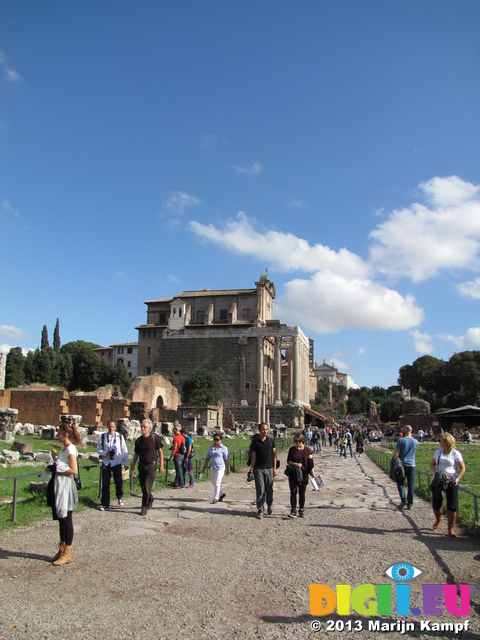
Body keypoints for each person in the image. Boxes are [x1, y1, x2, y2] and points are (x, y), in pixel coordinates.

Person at [47, 416, 81, 566]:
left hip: (66, 487)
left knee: (67, 520)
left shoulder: (71, 449)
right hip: (59, 486)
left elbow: (74, 470)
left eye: (59, 434)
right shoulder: (64, 449)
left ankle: (67, 552)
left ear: (65, 435)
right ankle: (62, 549)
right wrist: (55, 459)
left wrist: (58, 467)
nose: (57, 436)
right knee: (61, 519)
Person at [430, 433, 466, 537]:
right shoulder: (438, 452)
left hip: (451, 481)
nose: (439, 442)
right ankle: (438, 518)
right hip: (439, 481)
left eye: (441, 440)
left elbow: (462, 468)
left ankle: (451, 528)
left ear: (446, 442)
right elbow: (432, 464)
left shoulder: (455, 453)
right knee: (436, 504)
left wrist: (458, 478)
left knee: (452, 505)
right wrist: (436, 472)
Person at [131, 419, 164, 515]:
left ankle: (144, 507)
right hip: (142, 465)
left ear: (149, 428)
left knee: (146, 486)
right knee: (143, 487)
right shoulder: (139, 440)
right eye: (142, 426)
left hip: (152, 465)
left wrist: (161, 464)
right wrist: (132, 466)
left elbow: (160, 451)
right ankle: (150, 498)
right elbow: (136, 454)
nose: (142, 428)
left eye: (144, 427)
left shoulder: (154, 438)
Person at [97, 420, 129, 510]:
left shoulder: (119, 437)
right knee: (105, 483)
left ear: (115, 427)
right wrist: (104, 453)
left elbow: (124, 450)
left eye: (112, 426)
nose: (111, 428)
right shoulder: (103, 437)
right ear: (107, 426)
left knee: (118, 482)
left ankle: (120, 496)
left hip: (117, 462)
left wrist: (126, 463)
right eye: (109, 426)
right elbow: (98, 448)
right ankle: (105, 504)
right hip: (106, 462)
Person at [249, 422, 277, 519]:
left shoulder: (270, 441)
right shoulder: (255, 442)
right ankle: (260, 509)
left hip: (269, 468)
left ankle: (269, 504)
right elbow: (253, 455)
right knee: (260, 489)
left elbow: (274, 455)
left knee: (269, 489)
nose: (265, 431)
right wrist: (252, 468)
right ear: (259, 430)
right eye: (263, 429)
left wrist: (274, 468)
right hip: (258, 469)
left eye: (266, 429)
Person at [286, 433, 316, 518]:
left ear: (302, 440)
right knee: (293, 492)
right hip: (293, 473)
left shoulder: (307, 450)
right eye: (295, 441)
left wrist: (313, 473)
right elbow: (288, 461)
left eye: (298, 441)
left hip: (304, 473)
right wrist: (296, 464)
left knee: (302, 493)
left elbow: (311, 463)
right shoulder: (292, 450)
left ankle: (301, 509)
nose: (297, 443)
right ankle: (293, 510)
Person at [393, 425, 419, 510]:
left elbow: (396, 453)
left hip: (402, 465)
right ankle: (410, 504)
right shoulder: (415, 441)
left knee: (400, 482)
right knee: (410, 484)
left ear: (405, 430)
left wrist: (394, 461)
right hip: (412, 465)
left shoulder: (401, 440)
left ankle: (404, 499)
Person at [202, 433, 229, 503]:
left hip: (220, 467)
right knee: (213, 482)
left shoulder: (224, 448)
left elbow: (226, 459)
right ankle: (222, 494)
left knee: (217, 482)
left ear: (220, 440)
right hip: (213, 467)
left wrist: (227, 468)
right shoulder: (211, 448)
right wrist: (204, 466)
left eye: (217, 439)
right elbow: (208, 457)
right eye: (215, 439)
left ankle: (216, 498)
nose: (216, 441)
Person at [169, 424, 185, 488]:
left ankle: (181, 483)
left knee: (178, 470)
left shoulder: (176, 438)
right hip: (182, 454)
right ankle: (176, 483)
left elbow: (175, 447)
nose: (173, 430)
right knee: (178, 469)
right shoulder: (182, 437)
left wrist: (171, 456)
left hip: (177, 454)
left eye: (174, 429)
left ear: (176, 430)